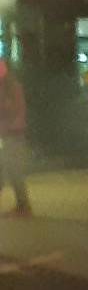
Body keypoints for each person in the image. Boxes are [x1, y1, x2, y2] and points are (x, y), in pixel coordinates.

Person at [0, 58, 31, 216]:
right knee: (8, 169)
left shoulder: (11, 87)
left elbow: (14, 109)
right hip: (8, 132)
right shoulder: (9, 86)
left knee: (14, 170)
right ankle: (23, 205)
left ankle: (23, 205)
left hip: (12, 132)